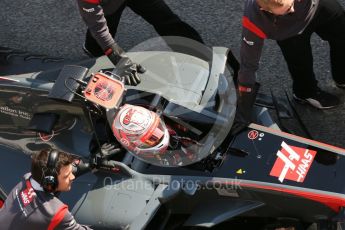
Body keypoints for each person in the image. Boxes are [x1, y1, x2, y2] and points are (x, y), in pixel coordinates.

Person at [76, 0, 240, 86]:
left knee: (167, 21)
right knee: (98, 46)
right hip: (107, 5)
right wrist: (117, 56)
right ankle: (94, 55)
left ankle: (203, 57)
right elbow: (98, 27)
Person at [237, 0, 345, 116]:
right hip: (288, 32)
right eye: (288, 10)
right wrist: (245, 95)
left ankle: (342, 76)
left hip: (317, 6)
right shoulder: (254, 20)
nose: (293, 9)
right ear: (265, 10)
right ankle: (306, 93)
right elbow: (248, 63)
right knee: (300, 64)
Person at [0, 149, 92, 230]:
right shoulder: (56, 212)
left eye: (71, 171)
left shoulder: (27, 179)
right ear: (50, 183)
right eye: (66, 176)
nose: (72, 177)